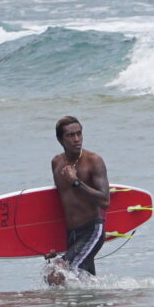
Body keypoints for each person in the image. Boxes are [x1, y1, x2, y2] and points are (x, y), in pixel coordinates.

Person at [46, 115, 112, 284]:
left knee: (59, 276)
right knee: (86, 282)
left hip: (92, 230)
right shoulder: (56, 162)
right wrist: (50, 244)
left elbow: (105, 201)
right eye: (70, 135)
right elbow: (61, 204)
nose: (77, 139)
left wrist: (76, 182)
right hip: (71, 234)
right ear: (60, 139)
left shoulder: (93, 161)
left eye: (79, 134)